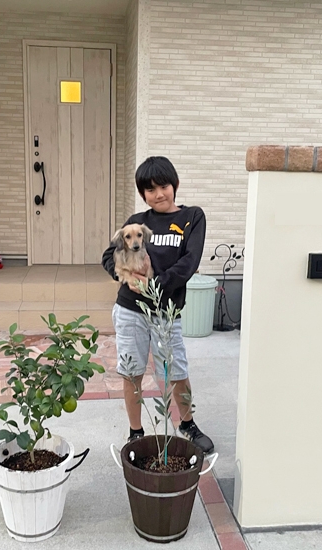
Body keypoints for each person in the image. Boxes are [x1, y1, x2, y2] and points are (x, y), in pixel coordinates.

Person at [102, 156, 214, 454]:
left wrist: (155, 286)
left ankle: (187, 424)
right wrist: (125, 278)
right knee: (132, 372)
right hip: (130, 310)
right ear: (143, 193)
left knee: (176, 371)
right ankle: (135, 433)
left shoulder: (192, 217)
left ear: (174, 184)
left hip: (166, 310)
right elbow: (108, 256)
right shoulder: (137, 222)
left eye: (163, 186)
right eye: (150, 189)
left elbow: (189, 262)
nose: (159, 194)